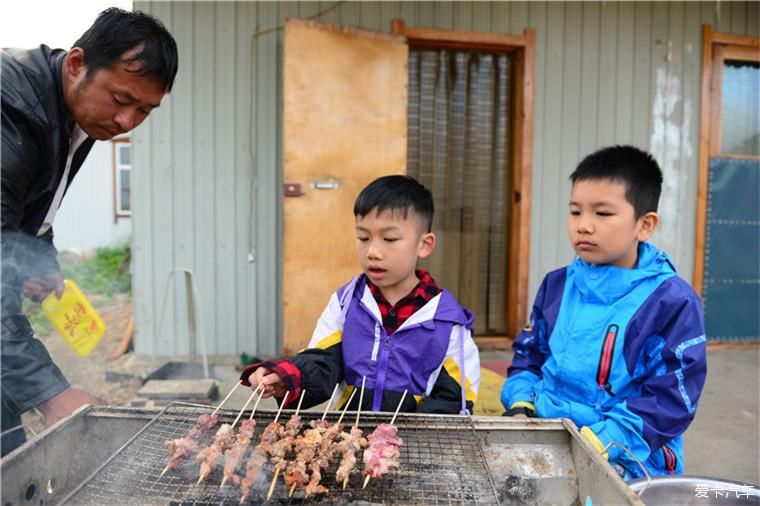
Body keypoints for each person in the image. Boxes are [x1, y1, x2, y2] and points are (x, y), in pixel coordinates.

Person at [1, 8, 178, 456]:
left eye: (145, 110)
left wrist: (40, 263)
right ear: (77, 64)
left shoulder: (73, 111)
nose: (127, 123)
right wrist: (52, 394)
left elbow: (32, 207)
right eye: (121, 99)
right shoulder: (12, 115)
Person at [500, 145, 707, 479]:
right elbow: (529, 356)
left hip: (627, 456)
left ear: (645, 224)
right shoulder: (556, 285)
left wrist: (601, 442)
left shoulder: (670, 301)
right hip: (544, 434)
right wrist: (522, 404)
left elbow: (670, 401)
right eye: (575, 212)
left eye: (603, 213)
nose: (584, 226)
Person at [242, 175, 480, 415]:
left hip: (411, 442)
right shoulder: (346, 304)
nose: (373, 251)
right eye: (363, 238)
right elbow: (321, 362)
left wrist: (402, 438)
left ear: (424, 244)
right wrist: (285, 377)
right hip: (349, 435)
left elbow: (455, 398)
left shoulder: (448, 321)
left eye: (389, 239)